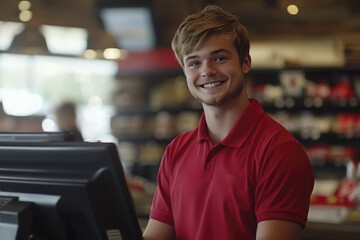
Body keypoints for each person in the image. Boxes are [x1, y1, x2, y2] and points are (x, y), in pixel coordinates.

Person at [143, 5, 314, 240]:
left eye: (219, 58)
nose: (207, 71)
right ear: (184, 72)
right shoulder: (176, 151)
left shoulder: (279, 152)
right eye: (194, 63)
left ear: (245, 63)